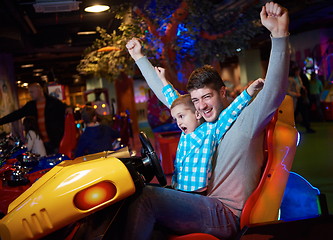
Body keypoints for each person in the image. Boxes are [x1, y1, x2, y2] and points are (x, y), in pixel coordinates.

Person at [123, 2, 290, 239]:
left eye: (207, 97)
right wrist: (139, 57)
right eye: (196, 100)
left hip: (225, 212)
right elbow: (169, 98)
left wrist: (279, 34)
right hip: (199, 202)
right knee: (133, 195)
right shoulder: (201, 124)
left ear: (222, 93)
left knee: (148, 198)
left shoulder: (245, 119)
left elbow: (274, 90)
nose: (201, 105)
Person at [151, 66, 264, 193]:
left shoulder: (210, 129)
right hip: (179, 186)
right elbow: (173, 100)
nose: (179, 122)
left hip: (196, 192)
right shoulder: (186, 130)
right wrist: (163, 80)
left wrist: (249, 91)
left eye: (181, 117)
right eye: (176, 119)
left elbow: (231, 112)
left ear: (197, 114)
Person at [0, 82, 68, 155]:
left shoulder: (53, 102)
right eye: (29, 92)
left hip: (55, 140)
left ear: (39, 90)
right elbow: (17, 114)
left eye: (32, 92)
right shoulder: (31, 105)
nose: (30, 94)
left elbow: (65, 108)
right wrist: (1, 121)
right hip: (40, 140)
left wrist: (68, 109)